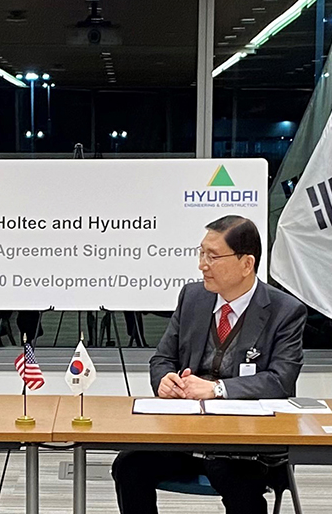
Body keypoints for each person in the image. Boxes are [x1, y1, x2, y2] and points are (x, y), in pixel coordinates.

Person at [111, 215, 307, 514]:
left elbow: (281, 380)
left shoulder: (284, 311)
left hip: (244, 444)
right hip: (185, 435)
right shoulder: (193, 297)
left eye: (212, 256)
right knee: (129, 465)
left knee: (234, 480)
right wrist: (165, 380)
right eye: (201, 253)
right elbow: (163, 358)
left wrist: (217, 389)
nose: (202, 264)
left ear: (246, 264)